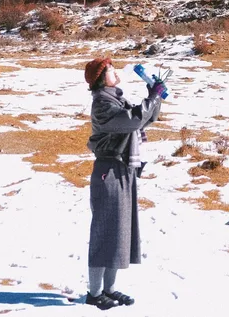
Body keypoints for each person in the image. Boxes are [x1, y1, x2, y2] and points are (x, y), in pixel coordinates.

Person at [84, 57, 165, 310]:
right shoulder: (102, 103)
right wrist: (151, 97)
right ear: (100, 77)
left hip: (123, 169)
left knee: (119, 232)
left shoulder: (116, 98)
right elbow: (133, 120)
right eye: (110, 69)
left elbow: (146, 118)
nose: (115, 71)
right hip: (108, 171)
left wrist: (156, 97)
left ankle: (108, 289)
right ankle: (94, 294)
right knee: (104, 233)